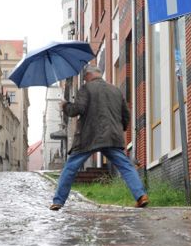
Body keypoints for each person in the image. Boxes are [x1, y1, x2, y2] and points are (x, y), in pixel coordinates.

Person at [50, 65, 149, 211]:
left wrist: (65, 105)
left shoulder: (86, 89)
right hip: (112, 136)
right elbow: (125, 114)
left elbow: (77, 110)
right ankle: (141, 196)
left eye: (84, 77)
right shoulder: (115, 90)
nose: (84, 80)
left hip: (88, 137)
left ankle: (58, 201)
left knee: (71, 168)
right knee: (126, 166)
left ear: (89, 75)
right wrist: (119, 129)